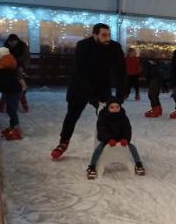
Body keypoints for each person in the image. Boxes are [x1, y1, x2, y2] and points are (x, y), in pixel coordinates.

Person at [51, 23, 126, 160]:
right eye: (104, 35)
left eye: (109, 35)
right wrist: (91, 95)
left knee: (108, 116)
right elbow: (81, 72)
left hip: (102, 87)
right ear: (94, 35)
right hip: (79, 87)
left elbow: (121, 72)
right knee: (72, 115)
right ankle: (63, 142)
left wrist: (120, 95)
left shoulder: (114, 47)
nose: (107, 38)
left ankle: (111, 143)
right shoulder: (83, 46)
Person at [86, 97, 145, 179]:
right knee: (98, 149)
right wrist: (108, 139)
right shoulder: (103, 117)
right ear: (108, 107)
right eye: (112, 107)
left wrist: (125, 139)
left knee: (132, 147)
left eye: (117, 107)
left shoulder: (123, 117)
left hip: (121, 139)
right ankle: (92, 166)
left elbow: (127, 129)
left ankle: (138, 164)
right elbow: (101, 130)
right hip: (106, 140)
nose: (115, 109)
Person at [0, 47, 23, 140]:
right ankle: (13, 127)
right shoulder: (8, 62)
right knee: (10, 109)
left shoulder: (6, 63)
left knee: (12, 110)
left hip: (12, 91)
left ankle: (16, 130)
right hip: (11, 90)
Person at [3, 33, 31, 112]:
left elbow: (26, 58)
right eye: (10, 42)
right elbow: (2, 57)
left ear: (17, 41)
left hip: (19, 69)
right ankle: (6, 103)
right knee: (8, 87)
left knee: (20, 86)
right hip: (8, 69)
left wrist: (22, 66)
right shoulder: (5, 47)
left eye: (13, 42)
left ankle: (21, 102)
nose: (11, 43)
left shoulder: (23, 47)